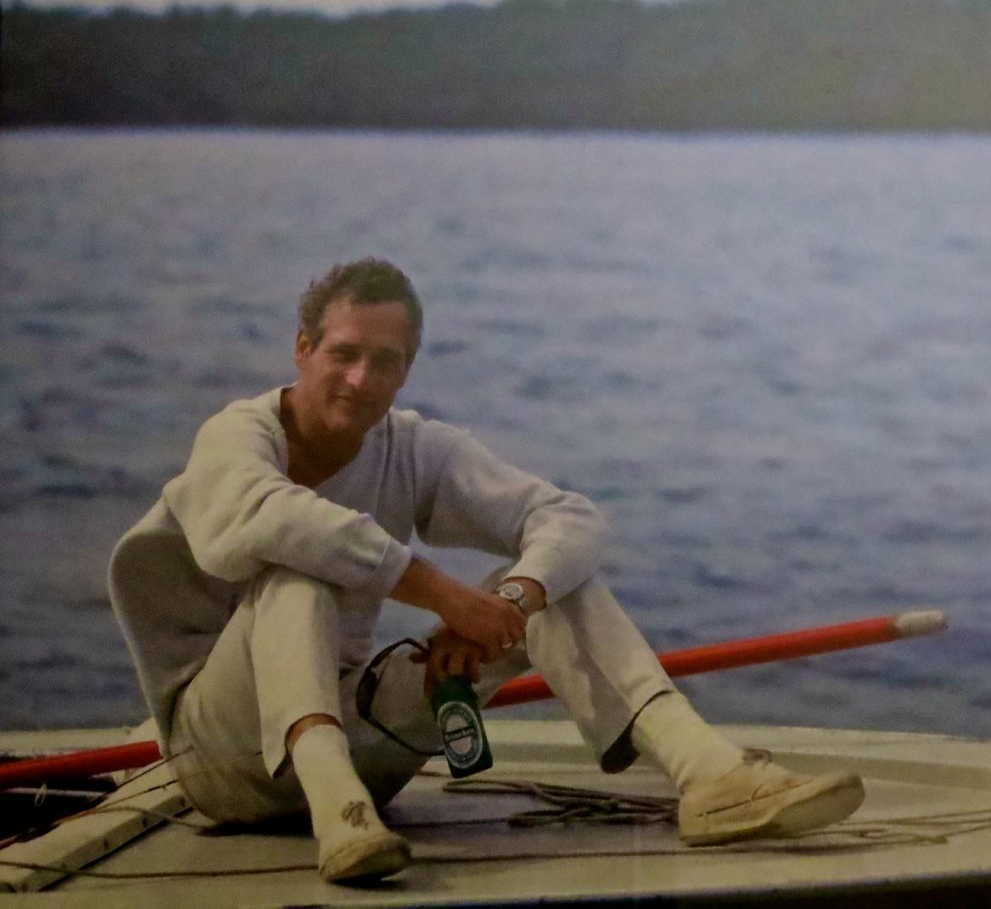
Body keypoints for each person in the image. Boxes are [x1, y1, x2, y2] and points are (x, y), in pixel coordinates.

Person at [109, 259, 864, 884]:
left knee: (556, 582)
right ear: (302, 348)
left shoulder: (411, 448)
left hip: (360, 751)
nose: (360, 378)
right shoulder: (236, 438)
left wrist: (507, 600)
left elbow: (571, 518)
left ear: (408, 370)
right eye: (342, 353)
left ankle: (710, 776)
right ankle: (337, 819)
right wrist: (442, 593)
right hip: (219, 762)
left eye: (386, 360)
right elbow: (276, 520)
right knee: (295, 570)